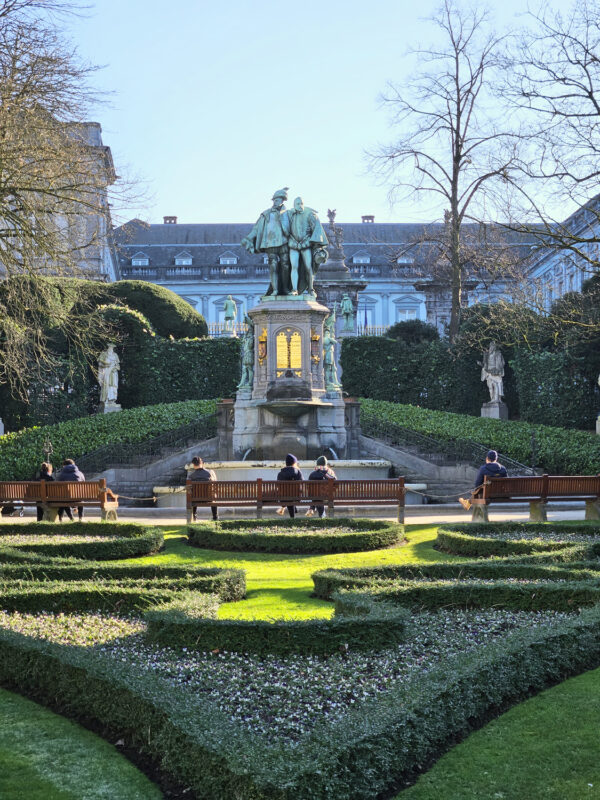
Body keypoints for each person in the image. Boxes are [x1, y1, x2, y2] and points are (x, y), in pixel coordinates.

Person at [241, 187, 291, 296]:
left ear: (282, 200)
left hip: (284, 242)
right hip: (270, 242)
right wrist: (248, 238)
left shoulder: (289, 213)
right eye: (274, 200)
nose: (274, 202)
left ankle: (286, 288)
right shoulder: (266, 214)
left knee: (286, 265)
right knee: (273, 266)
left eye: (277, 200)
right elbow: (257, 228)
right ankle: (275, 289)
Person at [282, 196, 328, 295]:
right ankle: (294, 289)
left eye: (301, 203)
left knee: (308, 267)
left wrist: (318, 245)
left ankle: (311, 289)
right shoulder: (290, 214)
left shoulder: (310, 214)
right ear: (294, 205)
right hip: (293, 244)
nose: (300, 205)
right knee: (294, 266)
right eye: (298, 204)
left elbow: (316, 229)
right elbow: (284, 227)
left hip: (306, 244)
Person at [188, 456, 218, 522]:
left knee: (192, 496)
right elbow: (215, 484)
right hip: (209, 498)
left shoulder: (191, 476)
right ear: (202, 463)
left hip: (196, 500)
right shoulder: (210, 473)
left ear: (193, 465)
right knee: (213, 497)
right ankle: (215, 517)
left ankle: (194, 517)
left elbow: (189, 489)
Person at [276, 453, 303, 518]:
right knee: (292, 495)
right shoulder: (298, 472)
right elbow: (303, 483)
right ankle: (293, 516)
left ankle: (292, 515)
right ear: (294, 463)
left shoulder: (280, 473)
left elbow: (278, 486)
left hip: (283, 498)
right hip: (296, 497)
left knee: (288, 495)